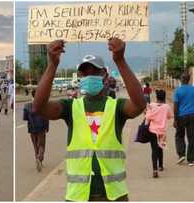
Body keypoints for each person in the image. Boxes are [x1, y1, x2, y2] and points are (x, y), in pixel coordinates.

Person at [32, 38, 146, 201]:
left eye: (95, 71)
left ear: (104, 74)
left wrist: (120, 60)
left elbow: (140, 104)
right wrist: (52, 65)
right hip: (78, 196)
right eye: (85, 72)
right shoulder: (71, 107)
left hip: (114, 196)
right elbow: (38, 107)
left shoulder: (117, 107)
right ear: (80, 75)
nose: (89, 75)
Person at [145, 89, 173, 178]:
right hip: (162, 132)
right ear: (164, 97)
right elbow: (169, 116)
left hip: (152, 131)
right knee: (160, 147)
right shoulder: (166, 107)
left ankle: (155, 170)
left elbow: (147, 116)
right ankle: (160, 166)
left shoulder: (152, 105)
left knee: (154, 150)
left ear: (156, 97)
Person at [24, 90, 49, 172]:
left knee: (35, 146)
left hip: (31, 128)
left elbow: (25, 118)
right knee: (41, 145)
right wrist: (47, 127)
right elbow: (46, 117)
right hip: (41, 128)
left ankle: (38, 160)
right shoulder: (43, 105)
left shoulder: (27, 106)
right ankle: (39, 158)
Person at [173, 72, 194, 166]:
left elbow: (175, 106)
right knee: (192, 137)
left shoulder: (178, 91)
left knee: (179, 136)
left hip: (181, 116)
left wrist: (175, 119)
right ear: (189, 80)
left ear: (181, 80)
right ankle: (191, 160)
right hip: (192, 116)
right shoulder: (193, 90)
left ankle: (181, 155)